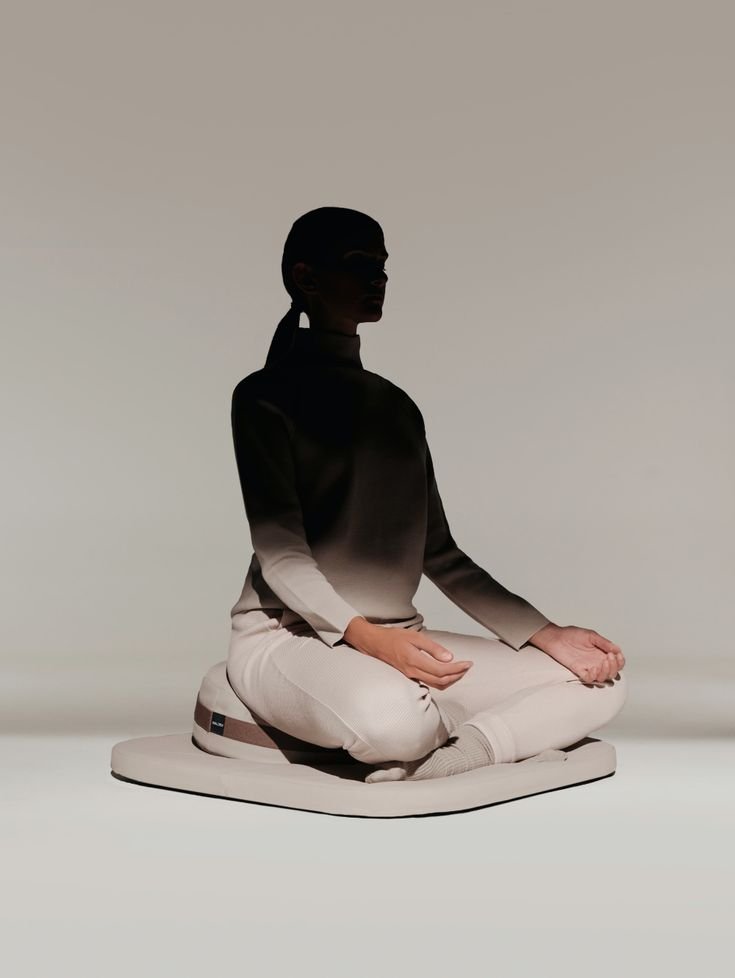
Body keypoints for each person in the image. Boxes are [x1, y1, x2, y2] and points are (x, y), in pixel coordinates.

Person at [226, 206, 627, 783]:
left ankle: (458, 755)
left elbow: (439, 553)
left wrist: (547, 634)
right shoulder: (263, 397)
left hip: (401, 637)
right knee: (395, 721)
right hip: (289, 638)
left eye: (383, 265)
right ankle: (462, 729)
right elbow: (281, 554)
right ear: (305, 277)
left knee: (599, 683)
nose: (378, 278)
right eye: (358, 262)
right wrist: (370, 641)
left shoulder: (396, 407)